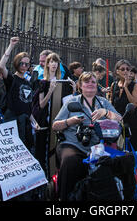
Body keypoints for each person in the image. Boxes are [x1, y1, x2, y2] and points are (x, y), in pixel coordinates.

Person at [52, 71, 121, 201]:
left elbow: (119, 119)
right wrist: (70, 122)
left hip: (97, 145)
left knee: (115, 162)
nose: (90, 84)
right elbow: (55, 125)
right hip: (73, 143)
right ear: (80, 85)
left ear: (96, 85)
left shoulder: (102, 102)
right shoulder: (72, 101)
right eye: (86, 81)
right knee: (70, 162)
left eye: (93, 82)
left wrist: (105, 112)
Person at [32, 52, 74, 175]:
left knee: (55, 150)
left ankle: (53, 175)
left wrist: (74, 90)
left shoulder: (63, 82)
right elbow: (41, 105)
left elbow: (68, 104)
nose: (54, 64)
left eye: (56, 62)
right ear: (47, 65)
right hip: (44, 122)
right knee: (41, 151)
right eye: (51, 62)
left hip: (57, 121)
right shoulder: (43, 82)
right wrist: (50, 91)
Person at [0, 37, 33, 150]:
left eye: (26, 64)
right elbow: (1, 66)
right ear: (17, 63)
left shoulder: (28, 83)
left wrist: (34, 122)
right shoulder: (12, 79)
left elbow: (27, 106)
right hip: (12, 122)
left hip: (25, 124)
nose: (24, 66)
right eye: (21, 63)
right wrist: (11, 46)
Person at [110, 59, 137, 149]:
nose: (126, 71)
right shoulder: (114, 85)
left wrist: (126, 87)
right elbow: (112, 103)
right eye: (122, 69)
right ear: (117, 71)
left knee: (132, 149)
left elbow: (134, 104)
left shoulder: (134, 85)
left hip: (131, 123)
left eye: (128, 69)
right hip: (118, 121)